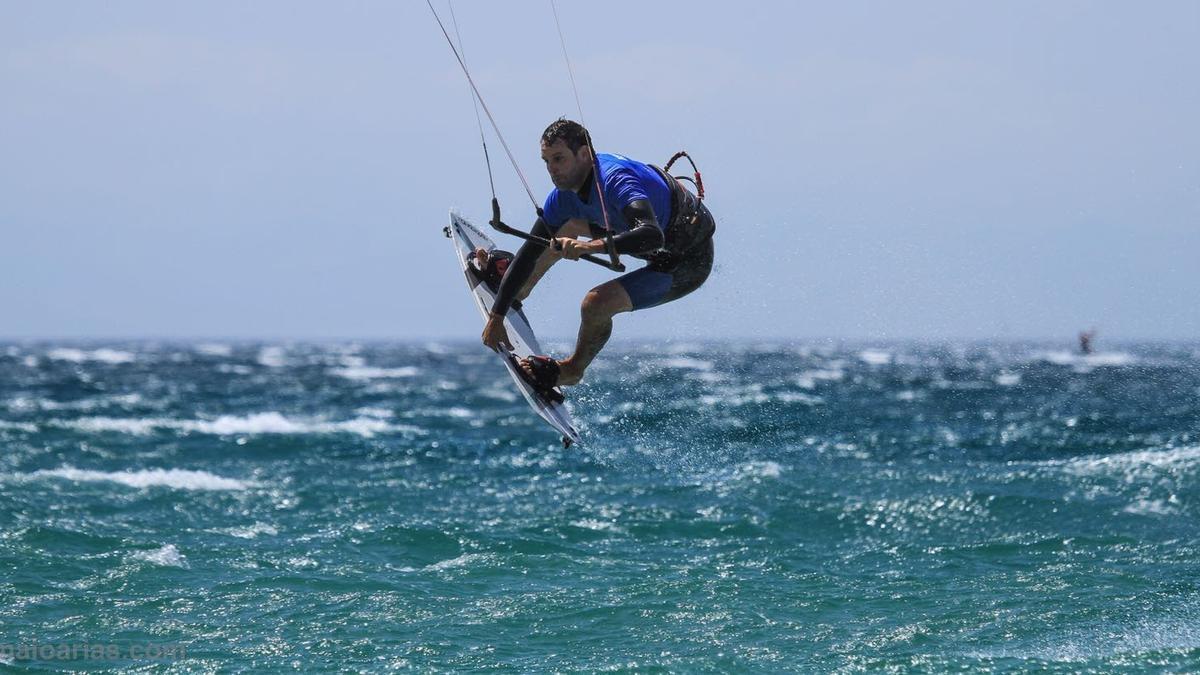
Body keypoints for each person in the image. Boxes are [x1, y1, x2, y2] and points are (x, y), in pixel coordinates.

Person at [480, 118, 716, 391]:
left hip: (685, 262)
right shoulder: (562, 197)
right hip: (639, 239)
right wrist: (498, 315)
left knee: (595, 303)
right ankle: (519, 290)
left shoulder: (615, 180)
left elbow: (651, 234)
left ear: (584, 154)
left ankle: (571, 370)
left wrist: (589, 247)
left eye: (559, 159)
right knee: (562, 228)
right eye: (546, 161)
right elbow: (529, 253)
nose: (552, 170)